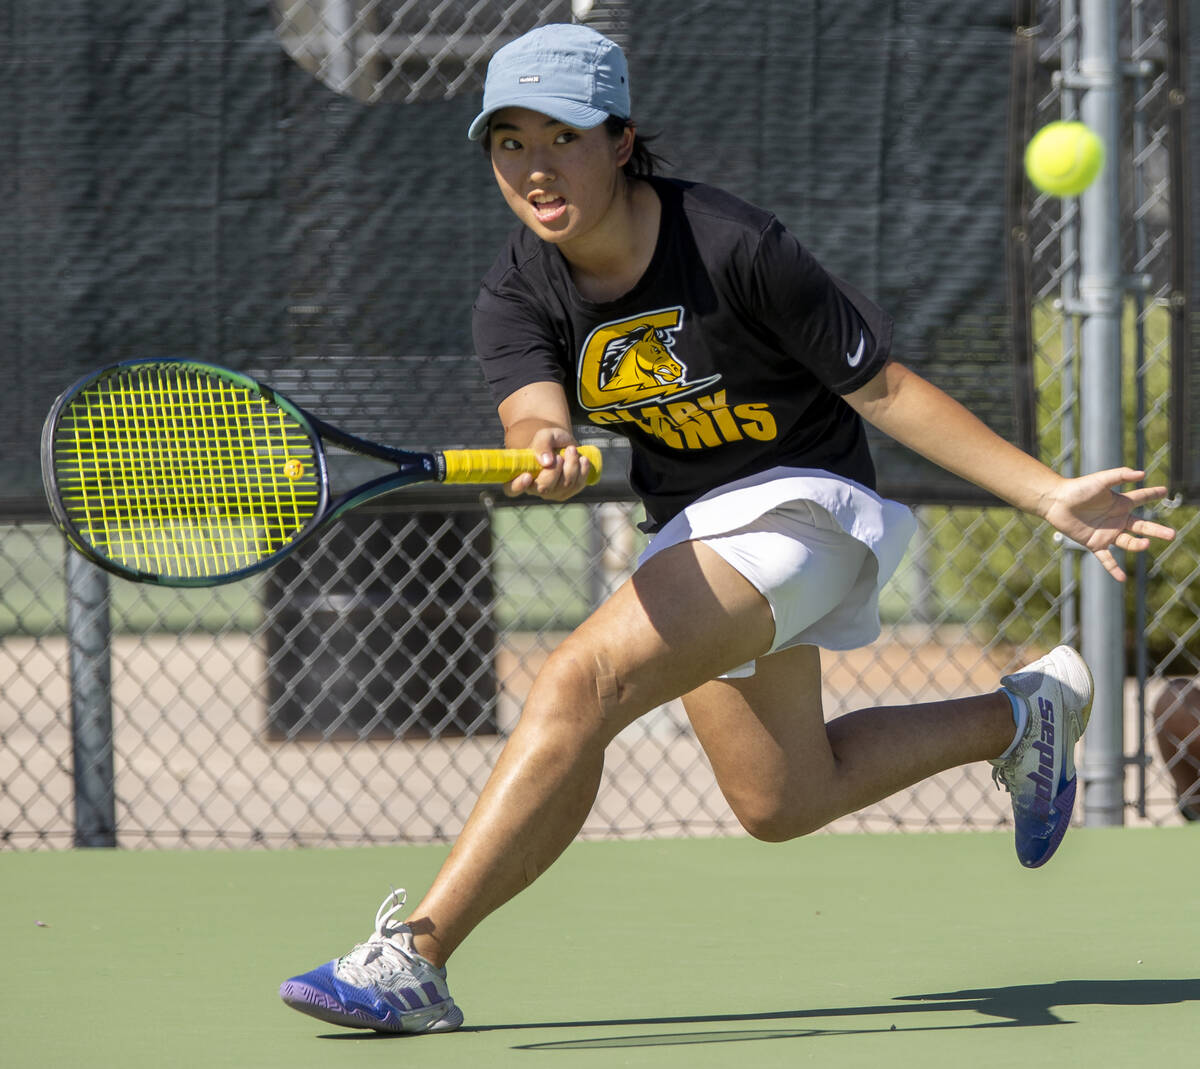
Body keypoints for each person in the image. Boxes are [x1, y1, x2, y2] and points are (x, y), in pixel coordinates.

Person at [278, 24, 1176, 1034]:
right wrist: (547, 443)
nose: (535, 167)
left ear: (618, 141)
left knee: (581, 681)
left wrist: (1044, 492)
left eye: (560, 137)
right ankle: (1020, 717)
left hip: (807, 510)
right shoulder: (516, 290)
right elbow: (532, 410)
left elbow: (881, 386)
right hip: (697, 534)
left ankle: (416, 955)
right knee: (781, 797)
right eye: (509, 143)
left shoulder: (735, 245)